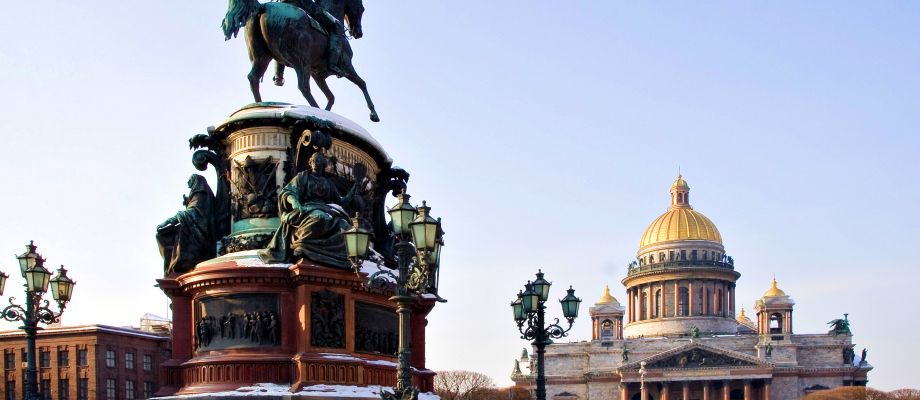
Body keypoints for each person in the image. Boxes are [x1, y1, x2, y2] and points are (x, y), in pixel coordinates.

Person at [261, 152, 356, 268]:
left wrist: (355, 188)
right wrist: (295, 202)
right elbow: (289, 192)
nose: (316, 163)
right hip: (308, 207)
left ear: (323, 164)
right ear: (310, 162)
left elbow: (342, 202)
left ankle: (341, 257)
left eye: (319, 161)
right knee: (320, 218)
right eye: (314, 161)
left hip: (326, 209)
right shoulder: (302, 177)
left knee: (346, 227)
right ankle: (303, 246)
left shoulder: (328, 183)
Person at [274, 0, 348, 86]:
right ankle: (332, 64)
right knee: (336, 25)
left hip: (281, 3)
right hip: (302, 3)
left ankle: (278, 75)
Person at [157, 175, 216, 275]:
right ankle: (172, 268)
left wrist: (169, 221)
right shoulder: (197, 194)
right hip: (193, 227)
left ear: (195, 182)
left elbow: (192, 213)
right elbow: (192, 212)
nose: (188, 184)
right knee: (162, 236)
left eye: (190, 182)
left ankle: (177, 265)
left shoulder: (200, 194)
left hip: (200, 232)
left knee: (169, 235)